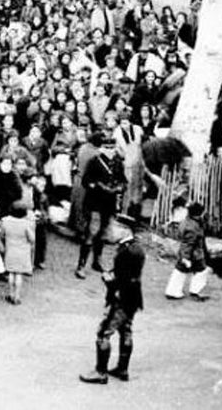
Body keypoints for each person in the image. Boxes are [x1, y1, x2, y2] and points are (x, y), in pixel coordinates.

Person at [80, 214, 146, 384]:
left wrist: (109, 279)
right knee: (126, 330)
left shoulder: (126, 251)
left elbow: (123, 278)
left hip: (121, 298)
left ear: (125, 230)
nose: (111, 231)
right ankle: (122, 369)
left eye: (115, 228)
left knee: (104, 333)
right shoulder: (136, 247)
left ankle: (100, 372)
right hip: (133, 298)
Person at [76, 135, 126, 279]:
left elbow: (123, 180)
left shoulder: (118, 163)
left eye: (112, 148)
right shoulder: (94, 162)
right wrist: (98, 186)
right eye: (106, 148)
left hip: (109, 203)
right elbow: (86, 181)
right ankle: (81, 265)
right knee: (91, 232)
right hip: (94, 202)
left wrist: (119, 187)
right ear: (101, 148)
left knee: (102, 233)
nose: (110, 150)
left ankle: (96, 261)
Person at [165, 201, 210, 301]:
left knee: (180, 270)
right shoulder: (192, 227)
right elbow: (188, 243)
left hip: (187, 252)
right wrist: (186, 257)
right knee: (201, 271)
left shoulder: (187, 221)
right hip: (194, 254)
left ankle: (172, 291)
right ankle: (195, 291)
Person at [1, 202, 35, 305]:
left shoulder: (5, 221)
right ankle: (17, 296)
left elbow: (2, 234)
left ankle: (11, 294)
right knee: (19, 274)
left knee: (11, 273)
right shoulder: (26, 224)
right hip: (22, 252)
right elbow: (32, 239)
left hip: (10, 250)